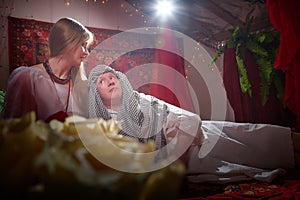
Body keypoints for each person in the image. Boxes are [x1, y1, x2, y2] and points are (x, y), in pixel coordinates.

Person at [88, 64, 300, 183]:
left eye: (112, 76)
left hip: (197, 132)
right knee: (246, 157)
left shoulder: (139, 98)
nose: (110, 81)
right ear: (95, 92)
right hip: (182, 158)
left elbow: (181, 116)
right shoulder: (106, 125)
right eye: (102, 81)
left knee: (249, 133)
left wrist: (177, 130)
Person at [3, 17, 94, 122]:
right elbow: (13, 130)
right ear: (67, 43)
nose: (87, 53)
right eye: (83, 45)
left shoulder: (81, 84)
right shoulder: (27, 78)